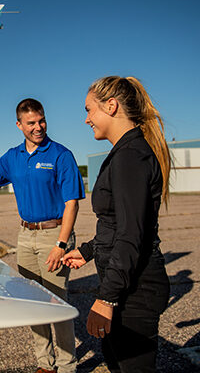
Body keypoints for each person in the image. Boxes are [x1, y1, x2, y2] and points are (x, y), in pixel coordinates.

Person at [0, 98, 85, 373]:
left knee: (57, 304)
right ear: (19, 125)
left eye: (41, 121)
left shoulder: (61, 155)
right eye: (31, 123)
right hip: (25, 236)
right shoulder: (12, 157)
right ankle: (45, 364)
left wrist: (61, 245)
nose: (38, 127)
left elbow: (72, 203)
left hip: (55, 235)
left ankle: (66, 367)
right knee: (34, 304)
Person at [63, 76, 171, 373]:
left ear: (111, 106)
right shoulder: (125, 153)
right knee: (115, 362)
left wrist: (106, 299)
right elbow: (117, 224)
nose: (87, 120)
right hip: (126, 284)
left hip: (135, 290)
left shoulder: (130, 156)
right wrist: (87, 251)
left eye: (89, 110)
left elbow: (130, 234)